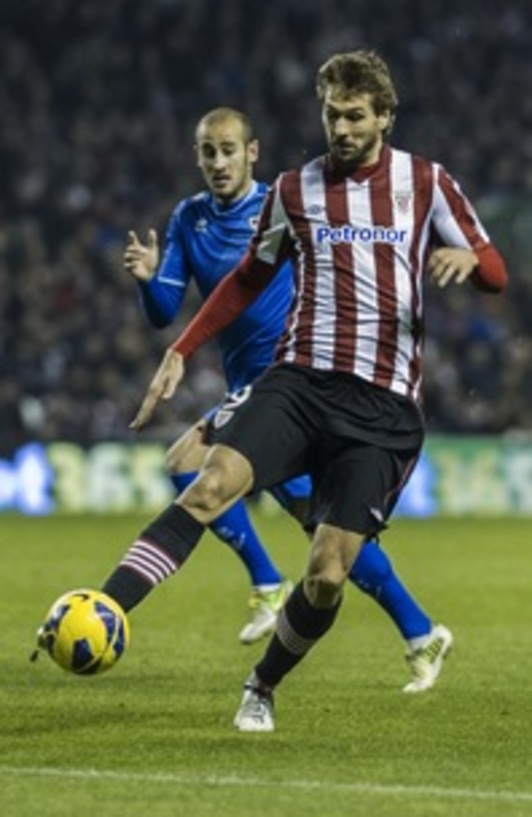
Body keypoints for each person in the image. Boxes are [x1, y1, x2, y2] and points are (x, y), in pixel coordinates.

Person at [116, 105, 452, 690]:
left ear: (253, 152)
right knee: (314, 525)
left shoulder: (292, 203)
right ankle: (419, 630)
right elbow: (167, 312)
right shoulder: (188, 218)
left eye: (228, 150)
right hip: (253, 387)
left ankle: (272, 584)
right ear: (197, 157)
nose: (218, 162)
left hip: (292, 382)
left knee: (189, 467)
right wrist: (150, 281)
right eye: (207, 152)